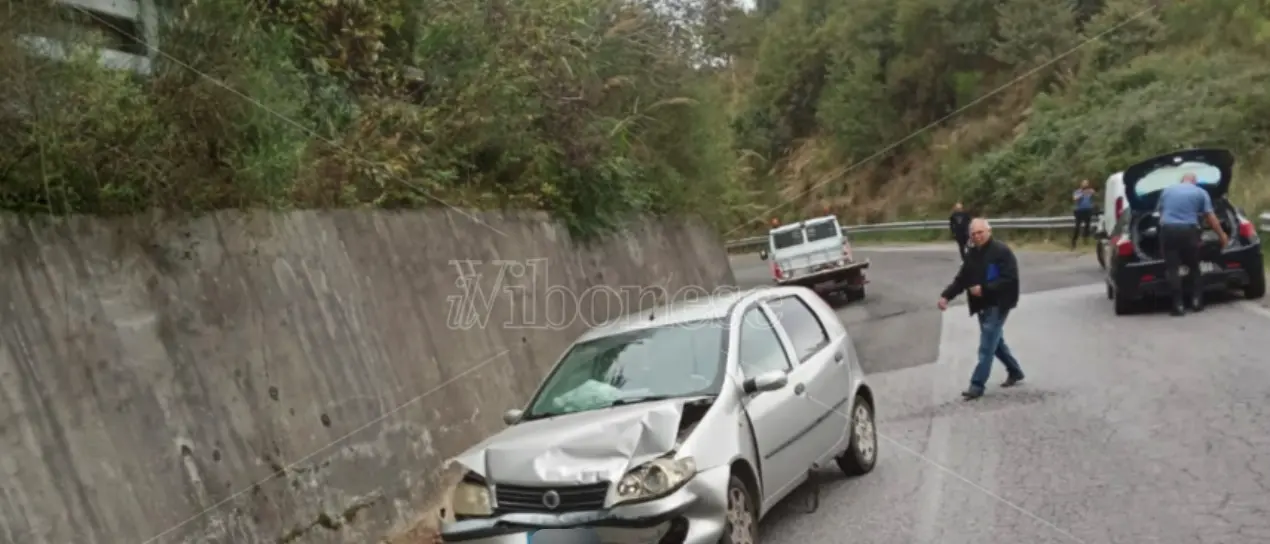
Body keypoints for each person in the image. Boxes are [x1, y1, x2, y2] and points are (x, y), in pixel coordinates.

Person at [936, 218, 1025, 400]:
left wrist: (984, 289)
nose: (977, 236)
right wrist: (946, 296)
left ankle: (976, 385)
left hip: (999, 303)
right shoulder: (971, 254)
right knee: (995, 342)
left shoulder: (1001, 252)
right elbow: (961, 279)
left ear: (989, 232)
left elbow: (1010, 279)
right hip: (982, 305)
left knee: (986, 345)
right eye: (974, 233)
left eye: (980, 232)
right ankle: (1015, 371)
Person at [1156, 172, 1228, 316]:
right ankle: (1196, 302)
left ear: (1181, 180)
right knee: (1194, 266)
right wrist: (1222, 235)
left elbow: (1160, 212)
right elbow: (1211, 218)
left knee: (1173, 268)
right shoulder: (1200, 192)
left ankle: (1178, 306)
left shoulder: (1167, 191)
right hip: (1189, 231)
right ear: (1195, 181)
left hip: (1168, 230)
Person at [1071, 180, 1096, 249]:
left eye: (1086, 184)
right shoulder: (1077, 191)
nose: (1085, 185)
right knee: (1077, 227)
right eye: (1084, 184)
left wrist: (1092, 193)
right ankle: (1073, 241)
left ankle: (1085, 239)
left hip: (1088, 210)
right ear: (1081, 184)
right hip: (1079, 211)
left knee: (1087, 226)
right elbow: (1075, 198)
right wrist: (1082, 194)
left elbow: (1094, 195)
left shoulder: (1089, 191)